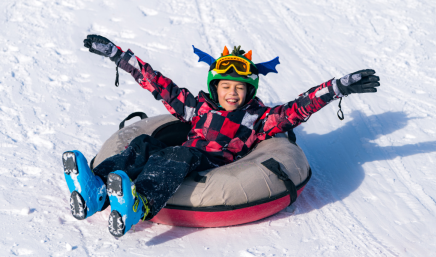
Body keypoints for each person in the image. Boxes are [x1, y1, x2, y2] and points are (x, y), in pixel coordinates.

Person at [62, 35, 380, 237]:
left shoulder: (259, 118)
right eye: (226, 86)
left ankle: (140, 205)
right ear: (216, 87)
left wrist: (337, 87)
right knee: (146, 143)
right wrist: (119, 56)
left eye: (239, 88)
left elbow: (299, 108)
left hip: (210, 165)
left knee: (177, 155)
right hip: (181, 156)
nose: (232, 93)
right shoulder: (197, 108)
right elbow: (158, 84)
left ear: (249, 91)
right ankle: (97, 191)